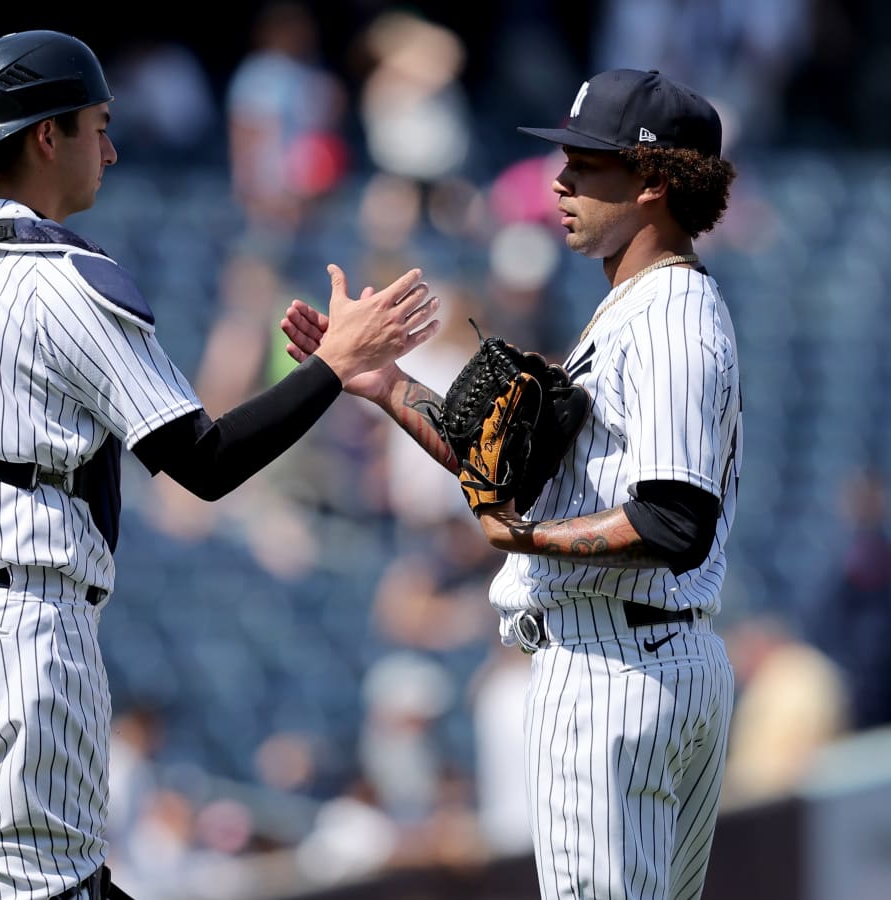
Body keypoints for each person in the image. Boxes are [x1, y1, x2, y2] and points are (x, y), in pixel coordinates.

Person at [0, 30, 439, 900]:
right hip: (15, 634)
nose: (112, 148)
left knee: (50, 887)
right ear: (47, 136)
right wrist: (333, 369)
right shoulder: (65, 278)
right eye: (96, 125)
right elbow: (200, 463)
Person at [283, 68, 741, 900]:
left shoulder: (670, 313)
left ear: (656, 183)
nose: (560, 179)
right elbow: (509, 472)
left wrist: (526, 539)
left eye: (590, 163)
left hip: (613, 665)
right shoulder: (637, 306)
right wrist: (384, 382)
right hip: (648, 654)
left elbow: (675, 520)